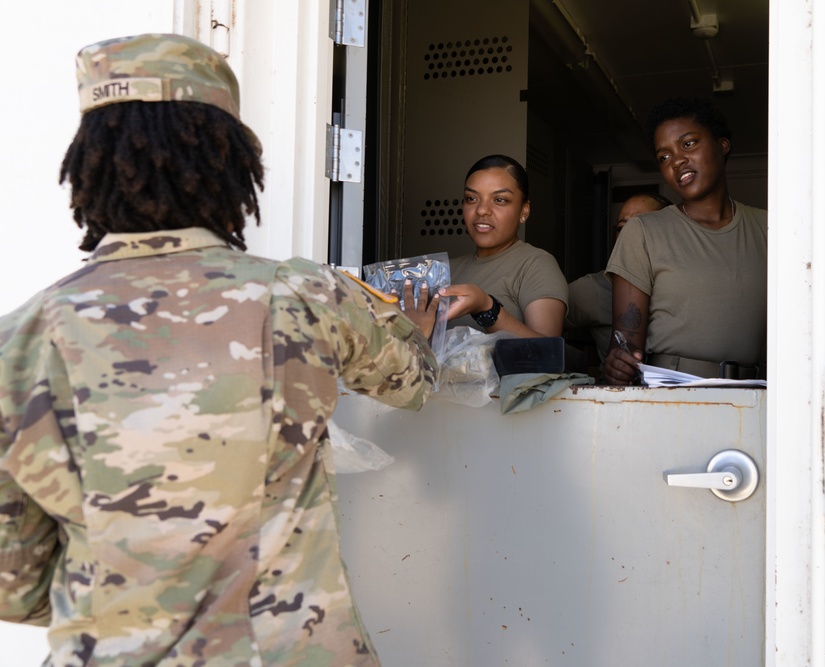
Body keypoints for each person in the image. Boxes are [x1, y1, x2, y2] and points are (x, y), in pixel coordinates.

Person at [0, 33, 438, 667]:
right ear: (228, 162)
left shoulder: (20, 342)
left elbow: (14, 586)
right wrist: (413, 334)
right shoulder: (305, 294)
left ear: (92, 161)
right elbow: (413, 382)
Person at [604, 96, 767, 385]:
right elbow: (626, 343)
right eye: (664, 157)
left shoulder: (768, 227)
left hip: (756, 395)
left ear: (722, 144)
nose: (677, 160)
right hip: (670, 394)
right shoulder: (643, 231)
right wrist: (619, 363)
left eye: (688, 143)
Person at [439, 155, 568, 338]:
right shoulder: (445, 270)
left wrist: (486, 309)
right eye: (471, 198)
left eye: (500, 200)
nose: (482, 210)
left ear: (524, 211)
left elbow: (548, 354)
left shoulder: (535, 264)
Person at [564, 192, 671, 371]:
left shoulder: (685, 286)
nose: (629, 237)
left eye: (640, 227)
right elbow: (541, 327)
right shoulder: (596, 288)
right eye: (622, 228)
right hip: (617, 397)